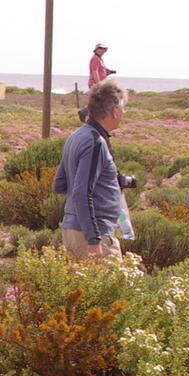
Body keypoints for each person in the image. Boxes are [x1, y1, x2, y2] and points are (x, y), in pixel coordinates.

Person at [52, 82, 127, 258]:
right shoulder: (95, 142)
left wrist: (107, 185)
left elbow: (60, 184)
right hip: (94, 235)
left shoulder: (77, 136)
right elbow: (82, 193)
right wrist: (94, 241)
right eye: (124, 108)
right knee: (110, 285)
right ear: (115, 110)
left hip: (72, 230)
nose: (124, 113)